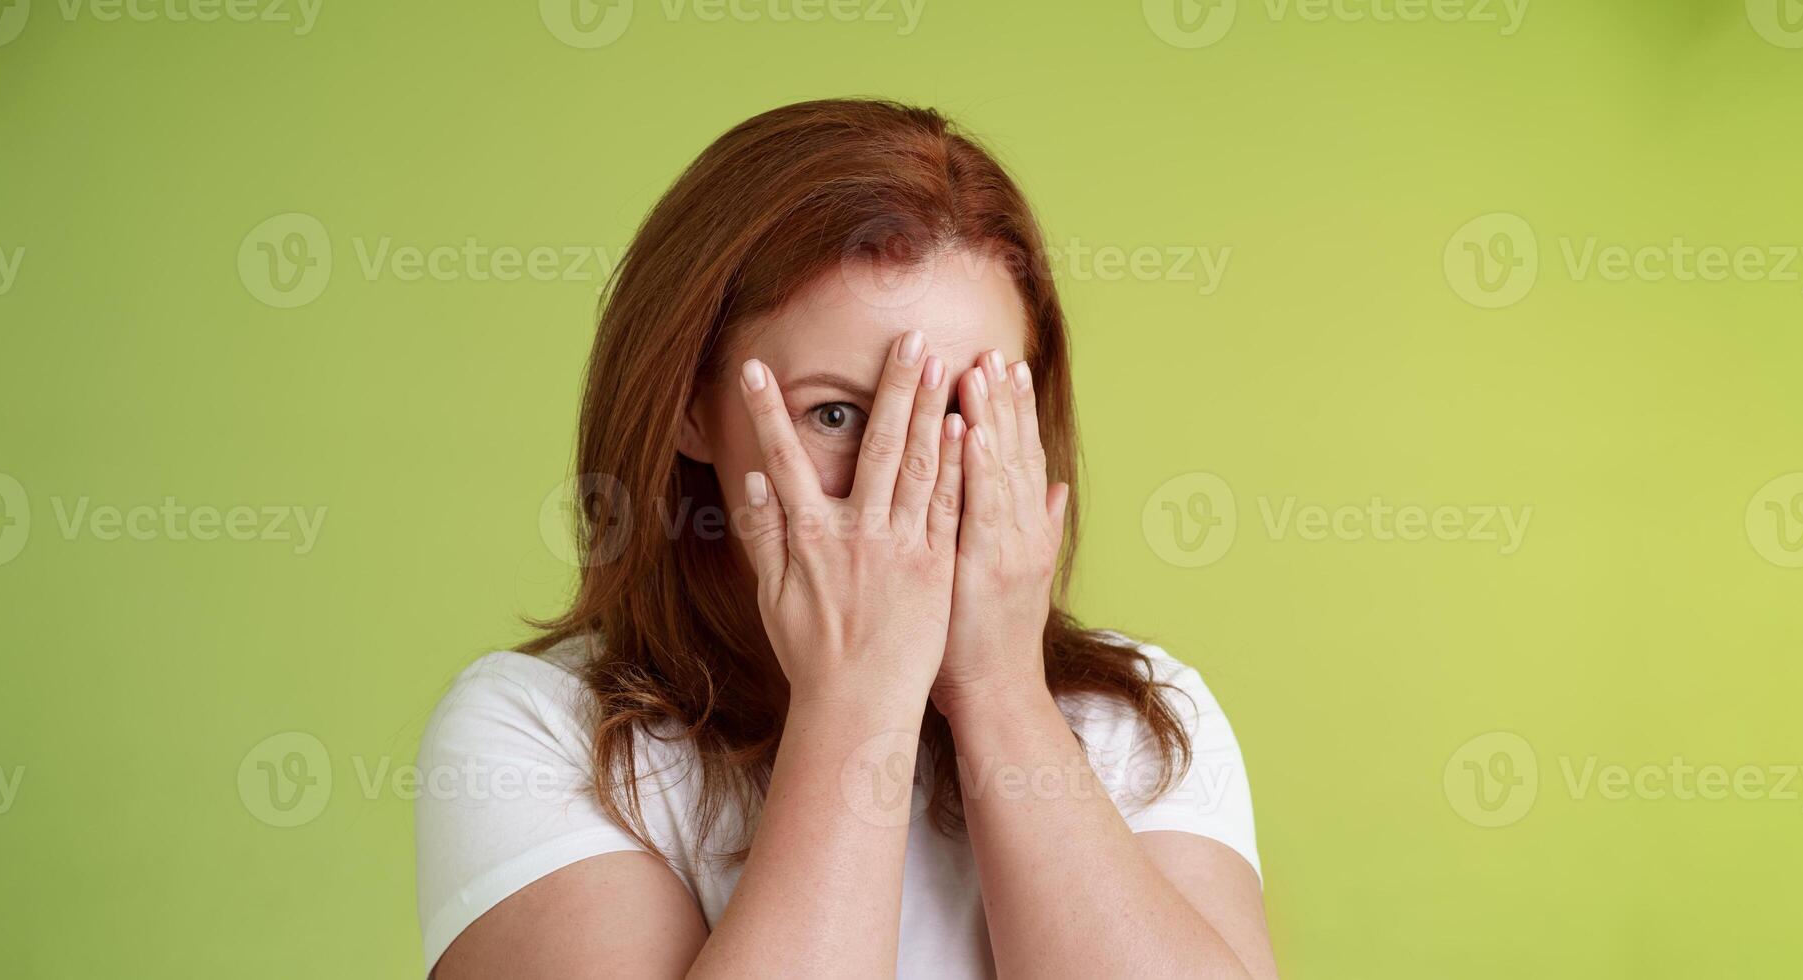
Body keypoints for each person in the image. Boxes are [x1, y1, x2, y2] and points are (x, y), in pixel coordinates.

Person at [418, 98, 1272, 978]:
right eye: (836, 413)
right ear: (687, 410)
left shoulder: (1139, 721)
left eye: (961, 413)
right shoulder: (536, 735)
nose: (906, 479)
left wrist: (1000, 693)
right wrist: (857, 699)